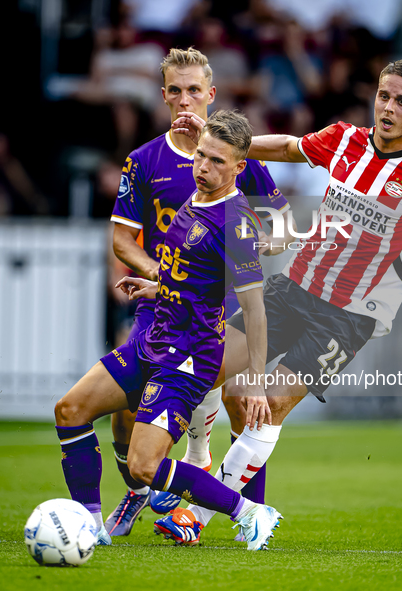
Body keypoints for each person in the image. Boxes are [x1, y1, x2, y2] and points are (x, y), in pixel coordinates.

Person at [164, 58, 402, 541]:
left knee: (268, 403)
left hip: (348, 316)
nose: (388, 107)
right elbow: (291, 148)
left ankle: (200, 515)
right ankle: (211, 470)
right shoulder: (345, 139)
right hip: (293, 288)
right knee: (209, 371)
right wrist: (225, 147)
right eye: (384, 96)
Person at [55, 109, 283, 551]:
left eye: (218, 161)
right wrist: (156, 284)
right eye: (201, 156)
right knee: (70, 410)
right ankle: (89, 527)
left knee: (143, 466)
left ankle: (251, 512)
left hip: (187, 359)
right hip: (154, 339)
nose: (204, 167)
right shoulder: (196, 197)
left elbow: (255, 313)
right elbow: (190, 272)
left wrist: (253, 382)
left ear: (240, 167)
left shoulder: (236, 224)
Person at [104, 47, 291, 537]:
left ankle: (243, 508)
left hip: (220, 306)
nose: (185, 99)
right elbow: (124, 238)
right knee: (126, 407)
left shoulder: (236, 157)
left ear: (210, 93)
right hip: (161, 305)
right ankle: (142, 487)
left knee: (237, 397)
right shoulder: (144, 160)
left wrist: (259, 242)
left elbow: (281, 223)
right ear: (162, 95)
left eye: (194, 90)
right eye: (175, 90)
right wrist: (160, 275)